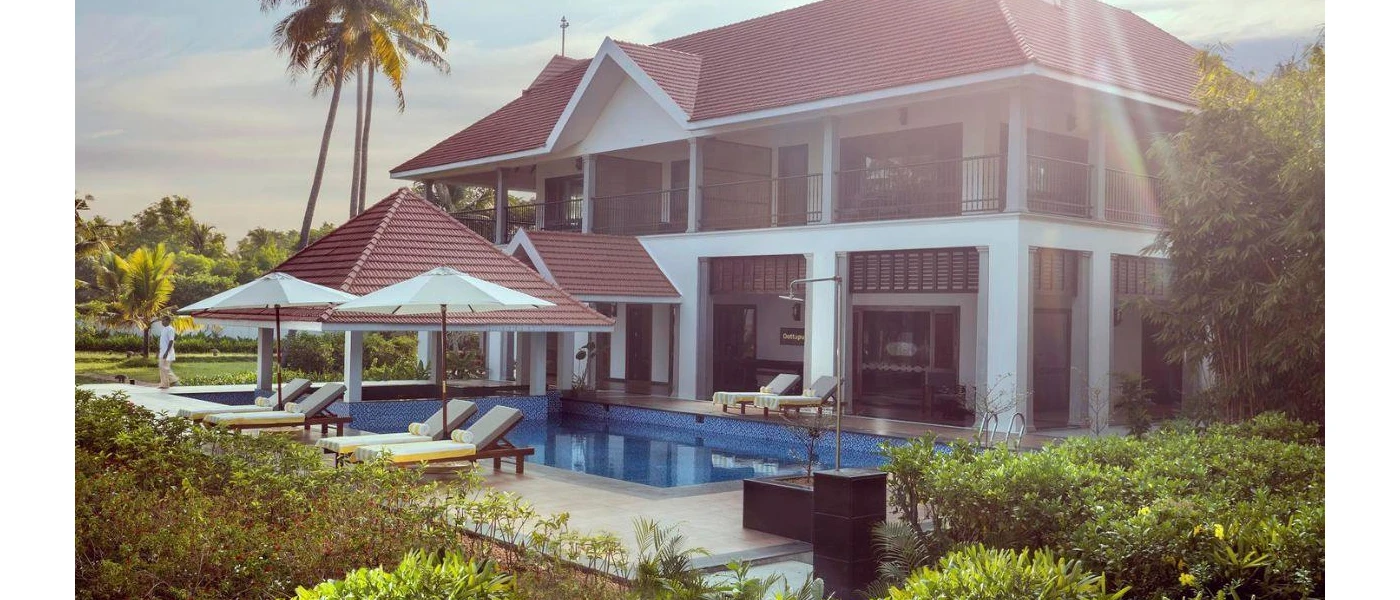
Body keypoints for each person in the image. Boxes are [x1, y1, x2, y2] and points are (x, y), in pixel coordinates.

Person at [157, 316, 179, 389]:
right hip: (162, 351)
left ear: (168, 321)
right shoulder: (164, 329)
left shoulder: (170, 329)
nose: (162, 322)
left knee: (165, 367)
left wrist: (166, 352)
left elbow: (171, 341)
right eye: (162, 321)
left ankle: (174, 379)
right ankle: (164, 384)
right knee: (161, 367)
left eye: (163, 321)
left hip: (167, 352)